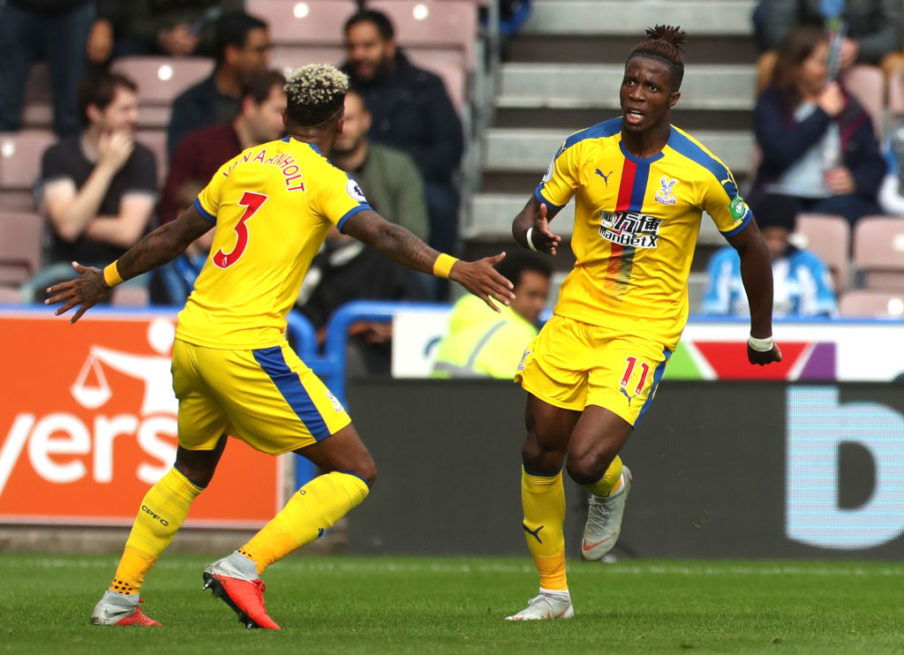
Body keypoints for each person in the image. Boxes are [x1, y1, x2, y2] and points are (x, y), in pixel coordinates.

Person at [45, 64, 514, 630]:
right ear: (340, 123)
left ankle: (119, 598)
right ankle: (244, 566)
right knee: (355, 471)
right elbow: (382, 233)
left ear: (285, 116)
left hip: (192, 339)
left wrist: (107, 279)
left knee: (191, 469)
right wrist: (454, 265)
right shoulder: (326, 179)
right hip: (246, 346)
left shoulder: (242, 164)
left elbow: (173, 235)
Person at [504, 26, 782, 621]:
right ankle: (553, 594)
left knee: (585, 462)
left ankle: (611, 486)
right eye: (630, 81)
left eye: (650, 86)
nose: (635, 93)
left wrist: (761, 332)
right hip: (575, 315)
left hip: (643, 328)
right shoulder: (583, 149)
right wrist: (533, 231)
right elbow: (530, 215)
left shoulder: (701, 169)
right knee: (539, 452)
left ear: (672, 99)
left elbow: (753, 248)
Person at [342, 9, 464, 296]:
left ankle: (434, 291)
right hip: (347, 172)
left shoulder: (425, 84)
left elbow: (450, 148)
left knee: (439, 203)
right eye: (352, 47)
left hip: (416, 180)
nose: (359, 54)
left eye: (368, 45)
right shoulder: (338, 85)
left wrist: (402, 170)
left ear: (389, 44)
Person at [751, 25, 885, 226]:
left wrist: (856, 180)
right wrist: (821, 114)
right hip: (782, 193)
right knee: (773, 213)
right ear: (796, 66)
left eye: (832, 63)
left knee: (852, 212)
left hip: (832, 198)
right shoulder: (773, 103)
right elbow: (779, 154)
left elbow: (875, 163)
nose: (829, 70)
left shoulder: (850, 107)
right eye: (822, 63)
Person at [38, 71, 157, 279]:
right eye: (125, 110)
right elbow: (68, 228)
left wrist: (77, 218)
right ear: (94, 112)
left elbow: (128, 232)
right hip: (66, 267)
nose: (134, 117)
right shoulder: (57, 156)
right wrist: (107, 167)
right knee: (31, 295)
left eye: (135, 108)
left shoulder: (144, 158)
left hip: (127, 270)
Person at [159, 69, 287, 226]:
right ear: (250, 107)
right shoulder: (200, 145)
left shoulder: (285, 155)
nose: (283, 121)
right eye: (277, 111)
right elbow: (170, 207)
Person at [703, 194, 838, 317]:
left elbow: (823, 316)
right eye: (768, 237)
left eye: (782, 238)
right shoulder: (725, 262)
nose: (775, 245)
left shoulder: (809, 264)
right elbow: (714, 315)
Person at [167, 11, 271, 157]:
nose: (267, 58)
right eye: (259, 50)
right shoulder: (189, 104)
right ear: (232, 53)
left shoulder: (264, 100)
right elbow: (181, 162)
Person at [330, 88, 429, 241]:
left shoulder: (398, 167)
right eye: (332, 121)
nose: (341, 129)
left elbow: (416, 232)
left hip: (384, 258)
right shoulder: (308, 168)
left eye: (348, 120)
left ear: (365, 121)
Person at [432, 253, 551, 378]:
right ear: (505, 290)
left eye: (543, 297)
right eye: (532, 295)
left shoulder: (467, 313)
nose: (539, 305)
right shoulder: (521, 333)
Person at [0, 0, 95, 136]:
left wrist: (105, 19)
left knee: (71, 110)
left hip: (72, 9)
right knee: (4, 105)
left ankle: (69, 155)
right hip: (18, 7)